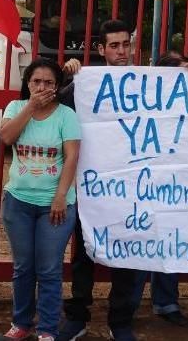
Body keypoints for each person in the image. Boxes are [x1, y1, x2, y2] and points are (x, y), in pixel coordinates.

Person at [60, 19, 141, 341]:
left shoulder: (147, 82)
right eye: (114, 46)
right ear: (101, 49)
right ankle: (77, 316)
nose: (121, 51)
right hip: (93, 185)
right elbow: (56, 106)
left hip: (136, 185)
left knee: (129, 253)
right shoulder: (86, 82)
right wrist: (70, 76)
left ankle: (120, 320)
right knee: (84, 253)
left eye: (125, 44)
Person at [0, 58, 81, 341]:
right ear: (27, 83)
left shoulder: (66, 115)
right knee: (23, 267)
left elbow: (71, 157)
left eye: (48, 83)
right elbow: (7, 137)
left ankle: (47, 329)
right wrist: (30, 107)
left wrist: (60, 197)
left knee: (48, 269)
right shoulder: (14, 108)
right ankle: (21, 322)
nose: (42, 87)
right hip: (18, 201)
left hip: (55, 205)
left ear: (57, 87)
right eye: (36, 82)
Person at [133, 50, 188, 330]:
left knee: (170, 240)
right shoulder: (141, 96)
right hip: (140, 180)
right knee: (137, 240)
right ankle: (131, 301)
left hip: (175, 183)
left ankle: (166, 301)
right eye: (177, 67)